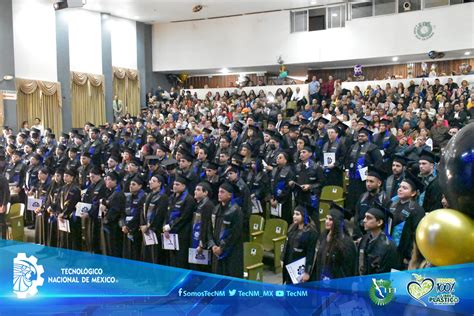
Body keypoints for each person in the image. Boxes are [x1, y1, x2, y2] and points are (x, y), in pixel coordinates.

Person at [389, 172, 425, 269]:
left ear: (413, 193)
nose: (400, 189)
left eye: (405, 188)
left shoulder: (417, 210)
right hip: (390, 250)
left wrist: (409, 255)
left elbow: (416, 234)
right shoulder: (392, 204)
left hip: (405, 255)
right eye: (400, 187)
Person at [207, 181, 243, 278]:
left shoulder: (236, 211)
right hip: (216, 249)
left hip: (231, 251)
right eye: (218, 192)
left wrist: (222, 248)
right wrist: (213, 245)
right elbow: (210, 228)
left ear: (230, 195)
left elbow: (234, 233)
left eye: (222, 192)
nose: (219, 194)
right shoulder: (216, 209)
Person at [312, 203, 356, 281]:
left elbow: (349, 269)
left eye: (331, 219)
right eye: (326, 218)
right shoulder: (323, 236)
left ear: (337, 221)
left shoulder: (346, 242)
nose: (327, 221)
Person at [162, 175, 196, 269]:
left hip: (182, 233)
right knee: (171, 258)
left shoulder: (189, 199)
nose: (174, 186)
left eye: (177, 184)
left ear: (184, 186)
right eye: (174, 184)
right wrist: (165, 226)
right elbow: (167, 213)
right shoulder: (171, 197)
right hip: (170, 233)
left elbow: (184, 217)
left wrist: (170, 227)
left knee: (180, 259)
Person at [281, 206, 318, 284]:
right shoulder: (292, 228)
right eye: (294, 214)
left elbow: (310, 253)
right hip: (290, 264)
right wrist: (282, 258)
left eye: (297, 214)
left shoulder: (311, 232)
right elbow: (286, 244)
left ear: (304, 216)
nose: (294, 216)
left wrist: (307, 272)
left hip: (300, 266)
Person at [358, 206, 399, 275]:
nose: (364, 220)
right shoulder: (364, 239)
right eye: (365, 217)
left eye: (369, 218)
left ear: (379, 222)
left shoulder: (388, 246)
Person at [141, 175, 168, 264]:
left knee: (155, 256)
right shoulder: (149, 195)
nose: (150, 182)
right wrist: (143, 225)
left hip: (155, 230)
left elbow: (159, 214)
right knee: (146, 255)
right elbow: (143, 211)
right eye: (150, 180)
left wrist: (149, 226)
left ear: (159, 183)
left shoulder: (163, 197)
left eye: (153, 180)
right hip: (146, 229)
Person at [81, 167, 108, 253]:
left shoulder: (103, 185)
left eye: (93, 176)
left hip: (97, 215)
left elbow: (97, 201)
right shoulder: (92, 185)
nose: (91, 178)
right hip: (89, 214)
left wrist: (89, 213)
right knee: (89, 235)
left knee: (96, 236)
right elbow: (86, 197)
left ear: (99, 175)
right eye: (90, 177)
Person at [190, 181, 215, 272]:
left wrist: (202, 244)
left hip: (202, 244)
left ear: (205, 193)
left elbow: (206, 226)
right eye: (195, 189)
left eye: (198, 190)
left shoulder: (208, 205)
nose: (195, 192)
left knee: (202, 269)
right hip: (195, 238)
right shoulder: (199, 204)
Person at [101, 171, 126, 257]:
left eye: (109, 179)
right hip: (109, 224)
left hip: (114, 225)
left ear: (115, 181)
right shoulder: (109, 192)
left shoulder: (118, 193)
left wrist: (106, 218)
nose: (107, 181)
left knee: (114, 248)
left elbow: (116, 210)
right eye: (106, 179)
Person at [121, 175, 146, 260]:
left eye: (133, 184)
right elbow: (123, 213)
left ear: (140, 186)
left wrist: (129, 226)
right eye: (130, 184)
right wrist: (123, 225)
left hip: (137, 228)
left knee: (136, 253)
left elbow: (139, 214)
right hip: (126, 228)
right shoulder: (127, 197)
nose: (131, 186)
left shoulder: (144, 197)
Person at [57, 169, 82, 251]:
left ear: (72, 178)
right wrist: (59, 212)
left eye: (67, 176)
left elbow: (71, 203)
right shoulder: (63, 187)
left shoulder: (75, 189)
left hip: (71, 214)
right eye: (64, 176)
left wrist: (64, 213)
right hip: (63, 214)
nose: (64, 177)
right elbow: (59, 201)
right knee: (64, 235)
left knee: (72, 236)